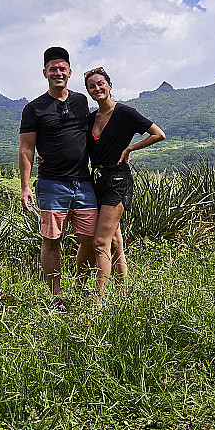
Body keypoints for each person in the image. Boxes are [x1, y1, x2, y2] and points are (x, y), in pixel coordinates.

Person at [19, 47, 97, 310]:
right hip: (52, 183)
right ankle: (56, 295)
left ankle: (81, 283)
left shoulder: (80, 102)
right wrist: (25, 186)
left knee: (90, 239)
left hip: (83, 182)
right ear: (44, 73)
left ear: (70, 73)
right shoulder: (34, 108)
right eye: (53, 69)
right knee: (52, 240)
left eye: (62, 68)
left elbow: (95, 130)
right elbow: (27, 148)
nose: (58, 73)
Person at [83, 66, 165, 298]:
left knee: (100, 243)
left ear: (110, 85)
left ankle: (98, 302)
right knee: (115, 241)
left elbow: (158, 134)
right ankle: (123, 292)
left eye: (101, 84)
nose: (97, 88)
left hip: (118, 179)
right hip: (96, 180)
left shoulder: (125, 113)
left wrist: (130, 148)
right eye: (92, 86)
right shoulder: (90, 119)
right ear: (88, 91)